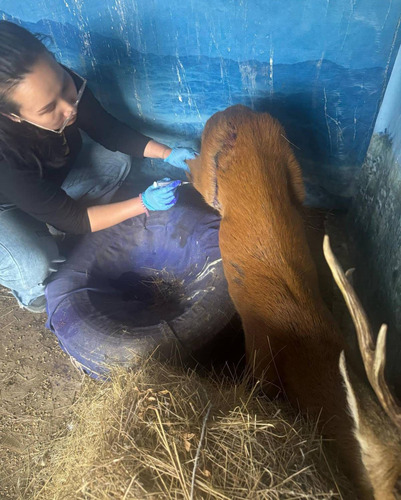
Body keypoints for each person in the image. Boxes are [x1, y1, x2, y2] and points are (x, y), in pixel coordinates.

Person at [0, 20, 197, 313]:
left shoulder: (58, 87)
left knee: (115, 160)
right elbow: (76, 218)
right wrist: (144, 203)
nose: (69, 108)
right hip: (6, 206)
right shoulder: (5, 159)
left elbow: (110, 131)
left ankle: (51, 224)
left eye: (64, 86)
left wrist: (167, 153)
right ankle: (30, 290)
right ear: (13, 116)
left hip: (46, 186)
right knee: (35, 264)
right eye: (48, 109)